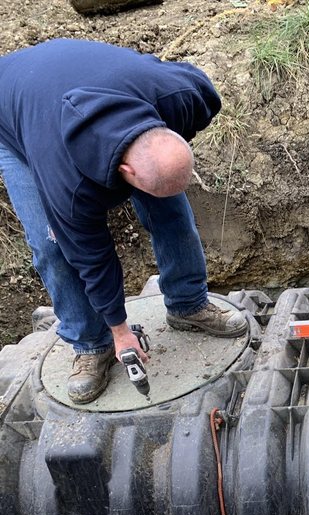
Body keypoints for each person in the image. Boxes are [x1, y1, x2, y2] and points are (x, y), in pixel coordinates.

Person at [0, 38, 247, 404]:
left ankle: (188, 304)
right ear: (125, 170)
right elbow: (90, 255)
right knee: (52, 245)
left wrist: (165, 156)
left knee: (169, 207)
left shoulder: (181, 95)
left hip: (99, 82)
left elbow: (204, 96)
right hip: (17, 115)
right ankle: (90, 343)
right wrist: (119, 330)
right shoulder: (65, 180)